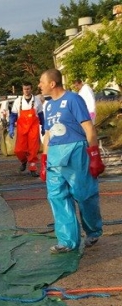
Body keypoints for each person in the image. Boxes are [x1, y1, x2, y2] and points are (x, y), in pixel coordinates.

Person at [38, 69, 104, 253]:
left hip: (76, 151)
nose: (39, 85)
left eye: (41, 82)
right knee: (57, 196)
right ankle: (67, 241)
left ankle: (93, 231)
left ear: (52, 83)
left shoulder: (73, 99)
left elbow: (89, 128)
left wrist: (94, 155)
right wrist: (44, 158)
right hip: (55, 155)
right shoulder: (49, 106)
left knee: (84, 194)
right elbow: (48, 134)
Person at [9, 83, 44, 176]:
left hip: (33, 128)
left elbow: (41, 115)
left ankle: (33, 169)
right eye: (25, 89)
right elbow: (13, 115)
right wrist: (11, 127)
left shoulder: (37, 100)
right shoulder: (18, 101)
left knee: (33, 149)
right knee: (18, 150)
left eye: (28, 89)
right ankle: (23, 161)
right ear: (22, 89)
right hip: (21, 128)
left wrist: (43, 126)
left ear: (31, 89)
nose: (26, 91)